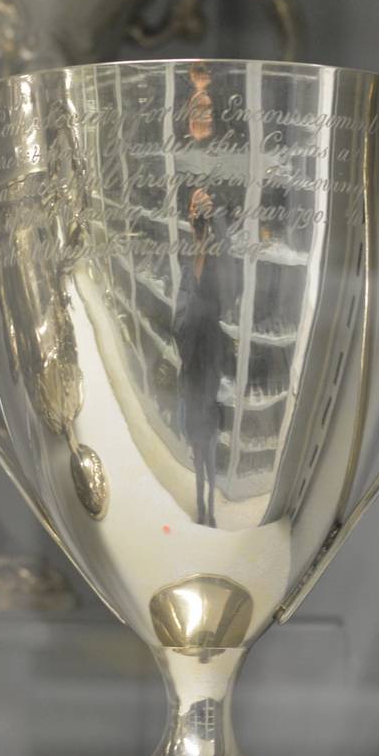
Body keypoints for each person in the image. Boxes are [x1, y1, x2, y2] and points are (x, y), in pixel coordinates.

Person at [173, 188, 229, 527]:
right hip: (194, 384)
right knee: (199, 452)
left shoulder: (218, 274)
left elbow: (227, 292)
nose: (199, 218)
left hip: (211, 381)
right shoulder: (187, 273)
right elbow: (182, 329)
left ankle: (209, 503)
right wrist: (199, 245)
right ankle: (201, 504)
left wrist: (214, 228)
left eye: (203, 209)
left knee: (210, 451)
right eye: (195, 211)